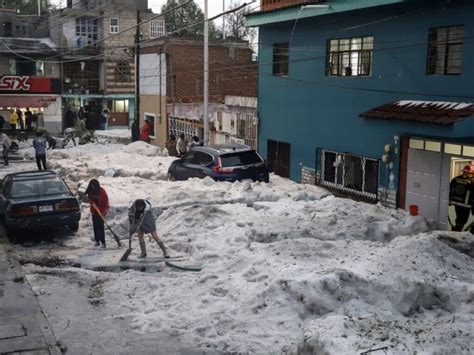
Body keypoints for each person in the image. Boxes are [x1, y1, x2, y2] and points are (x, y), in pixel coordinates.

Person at [449, 164, 474, 232]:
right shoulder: (472, 181)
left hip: (457, 203)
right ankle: (457, 233)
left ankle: (456, 231)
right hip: (466, 205)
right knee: (462, 220)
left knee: (459, 219)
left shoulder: (455, 179)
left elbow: (450, 190)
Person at [85, 179, 109, 248]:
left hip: (101, 211)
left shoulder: (101, 191)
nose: (92, 187)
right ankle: (97, 240)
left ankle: (103, 242)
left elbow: (104, 201)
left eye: (93, 185)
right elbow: (89, 199)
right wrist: (90, 200)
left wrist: (95, 198)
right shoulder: (90, 191)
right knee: (95, 226)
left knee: (100, 227)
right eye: (91, 185)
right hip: (94, 211)